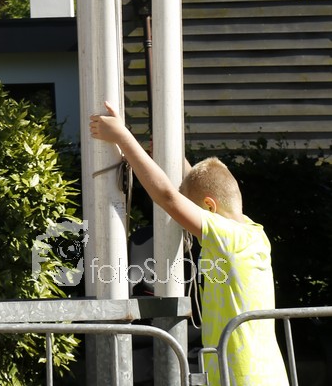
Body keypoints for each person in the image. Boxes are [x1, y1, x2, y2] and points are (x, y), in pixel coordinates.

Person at [90, 102, 288, 386]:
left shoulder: (229, 239)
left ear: (209, 207)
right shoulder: (252, 233)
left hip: (243, 379)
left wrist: (123, 137)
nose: (187, 222)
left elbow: (169, 197)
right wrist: (170, 155)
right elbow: (195, 186)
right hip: (262, 375)